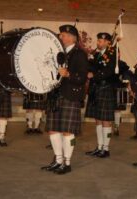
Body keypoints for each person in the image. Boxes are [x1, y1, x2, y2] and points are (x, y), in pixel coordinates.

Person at [41, 24, 88, 174]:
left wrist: (68, 74)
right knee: (53, 130)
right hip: (55, 95)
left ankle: (67, 163)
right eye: (61, 35)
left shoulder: (80, 54)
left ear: (73, 37)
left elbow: (82, 77)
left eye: (65, 35)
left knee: (68, 131)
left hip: (70, 96)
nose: (62, 37)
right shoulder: (57, 52)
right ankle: (58, 160)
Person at [85, 32, 117, 158]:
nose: (98, 43)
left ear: (108, 42)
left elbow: (109, 71)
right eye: (98, 41)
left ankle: (106, 148)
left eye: (101, 41)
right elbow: (92, 67)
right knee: (97, 119)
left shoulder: (112, 54)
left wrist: (94, 75)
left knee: (106, 120)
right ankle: (99, 147)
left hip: (106, 88)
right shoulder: (96, 54)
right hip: (96, 88)